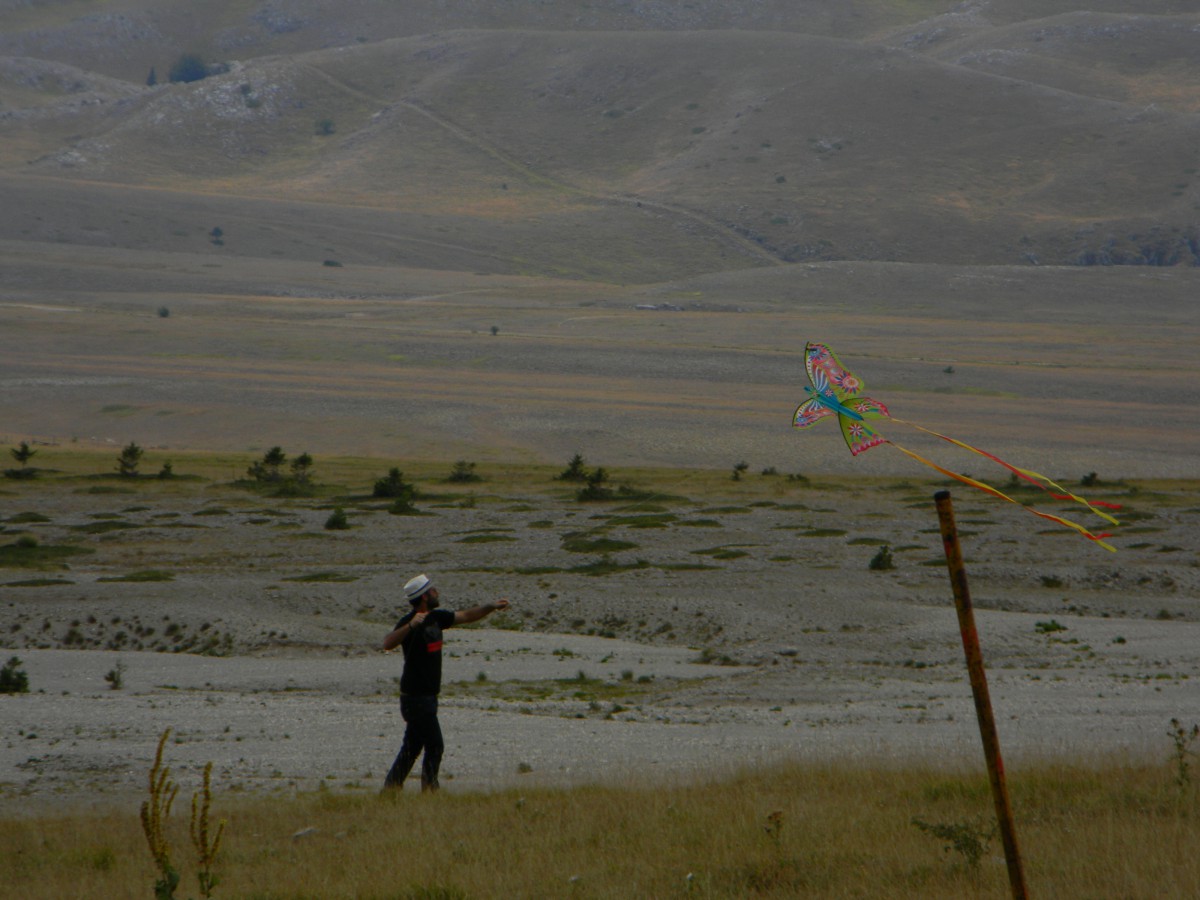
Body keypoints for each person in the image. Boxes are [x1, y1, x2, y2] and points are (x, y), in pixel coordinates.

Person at [381, 573, 509, 791]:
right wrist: (411, 626)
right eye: (432, 590)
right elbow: (387, 643)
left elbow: (467, 615)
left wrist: (491, 606)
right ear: (424, 596)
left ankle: (390, 790)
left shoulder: (437, 617)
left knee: (411, 748)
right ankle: (430, 790)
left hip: (428, 697)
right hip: (415, 698)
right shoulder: (409, 623)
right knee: (435, 745)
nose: (436, 593)